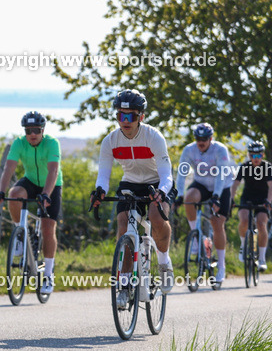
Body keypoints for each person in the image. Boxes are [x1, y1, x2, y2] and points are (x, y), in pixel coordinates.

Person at [89, 89, 174, 305]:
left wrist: (161, 192)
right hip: (130, 183)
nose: (125, 121)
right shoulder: (111, 141)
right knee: (123, 226)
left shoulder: (153, 137)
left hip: (156, 182)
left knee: (156, 216)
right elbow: (104, 175)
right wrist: (100, 191)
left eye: (131, 116)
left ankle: (164, 262)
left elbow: (167, 174)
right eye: (121, 115)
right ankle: (125, 285)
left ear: (141, 117)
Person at [0, 111, 62, 295]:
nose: (32, 134)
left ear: (42, 130)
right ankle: (20, 234)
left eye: (36, 130)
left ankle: (47, 274)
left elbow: (53, 171)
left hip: (51, 185)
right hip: (30, 181)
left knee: (47, 229)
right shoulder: (19, 143)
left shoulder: (52, 143)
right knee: (15, 193)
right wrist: (1, 191)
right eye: (28, 130)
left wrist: (46, 194)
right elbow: (9, 167)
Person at [174, 122, 234, 285]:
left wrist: (216, 196)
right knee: (189, 198)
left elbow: (221, 175)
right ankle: (196, 238)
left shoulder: (220, 149)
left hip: (221, 186)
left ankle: (221, 266)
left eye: (205, 139)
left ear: (211, 138)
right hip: (201, 184)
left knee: (217, 223)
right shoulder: (189, 150)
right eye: (198, 138)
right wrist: (179, 195)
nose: (201, 142)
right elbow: (181, 173)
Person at [230, 141, 272, 271]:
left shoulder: (268, 167)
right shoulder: (244, 167)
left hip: (263, 199)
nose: (256, 159)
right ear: (249, 156)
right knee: (243, 219)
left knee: (261, 223)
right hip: (247, 198)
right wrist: (231, 199)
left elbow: (271, 187)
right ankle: (243, 247)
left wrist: (269, 201)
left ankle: (262, 259)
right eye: (253, 156)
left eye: (258, 155)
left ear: (263, 155)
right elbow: (235, 184)